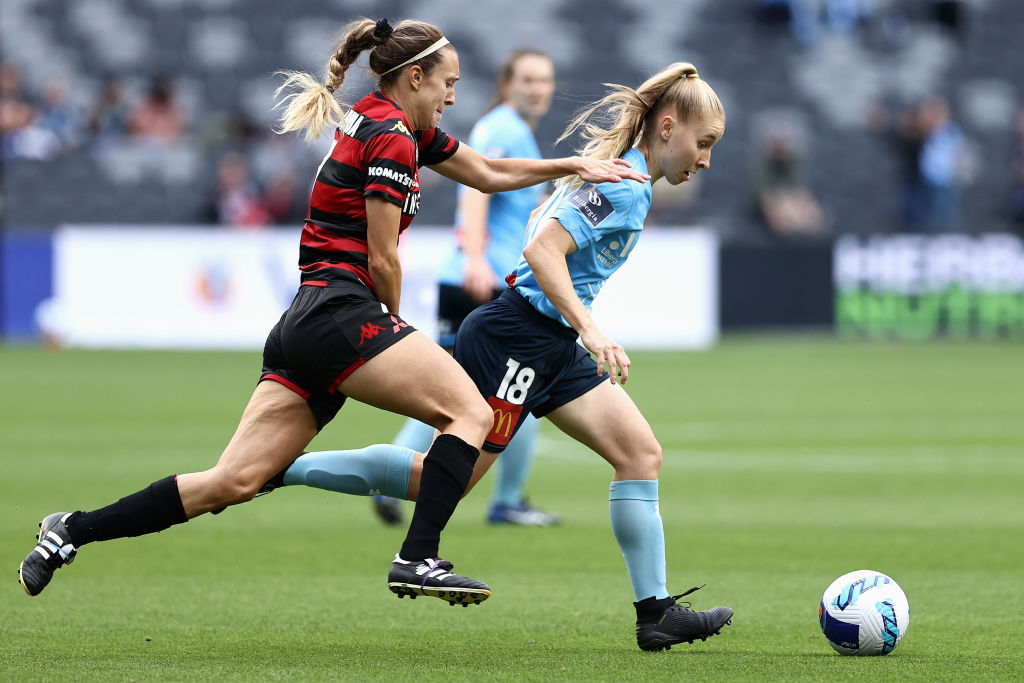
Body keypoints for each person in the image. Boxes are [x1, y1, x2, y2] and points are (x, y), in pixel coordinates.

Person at [17, 17, 647, 606]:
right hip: (343, 312)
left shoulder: (382, 122)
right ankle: (418, 558)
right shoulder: (392, 140)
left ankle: (71, 529)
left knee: (231, 482)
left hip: (302, 323)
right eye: (449, 84)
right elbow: (382, 258)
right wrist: (394, 324)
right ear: (415, 78)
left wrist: (570, 163)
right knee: (471, 411)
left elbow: (482, 171)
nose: (453, 97)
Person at [274, 61, 734, 651]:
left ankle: (656, 613)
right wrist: (591, 329)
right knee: (440, 480)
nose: (706, 159)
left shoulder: (630, 182)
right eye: (704, 143)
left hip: (551, 345)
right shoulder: (622, 186)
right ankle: (281, 469)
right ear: (667, 128)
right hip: (515, 336)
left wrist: (577, 331)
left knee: (640, 453)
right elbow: (542, 251)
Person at [374, 48, 561, 528]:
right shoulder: (505, 128)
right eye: (528, 80)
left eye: (545, 80)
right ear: (507, 83)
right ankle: (504, 500)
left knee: (460, 390)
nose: (538, 89)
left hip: (473, 277)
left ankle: (390, 471)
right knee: (514, 390)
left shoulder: (506, 128)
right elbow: (479, 187)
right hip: (484, 280)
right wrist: (477, 257)